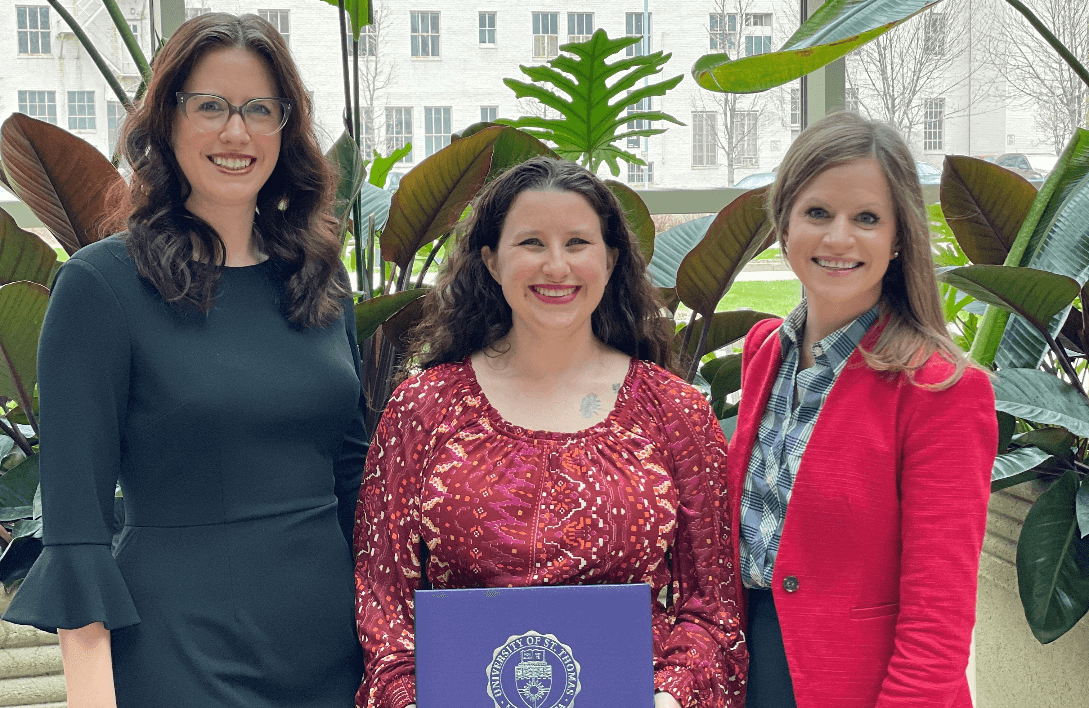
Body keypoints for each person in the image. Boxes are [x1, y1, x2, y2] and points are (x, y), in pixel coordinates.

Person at [2, 13, 366, 708]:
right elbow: (77, 532)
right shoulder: (100, 286)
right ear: (166, 122)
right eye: (210, 106)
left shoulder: (321, 278)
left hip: (334, 652)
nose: (237, 132)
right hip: (182, 654)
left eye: (260, 109)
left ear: (286, 128)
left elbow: (354, 478)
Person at [353, 156, 747, 708]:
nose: (556, 265)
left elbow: (713, 606)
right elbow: (383, 598)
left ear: (610, 259)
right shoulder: (424, 408)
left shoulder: (675, 412)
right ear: (491, 261)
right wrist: (408, 698)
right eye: (531, 243)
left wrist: (671, 697)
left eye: (578, 243)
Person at [726, 111, 997, 708]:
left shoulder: (941, 390)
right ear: (784, 224)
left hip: (865, 687)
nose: (838, 238)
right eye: (818, 212)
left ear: (898, 238)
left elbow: (939, 618)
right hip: (750, 670)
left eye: (867, 218)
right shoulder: (764, 351)